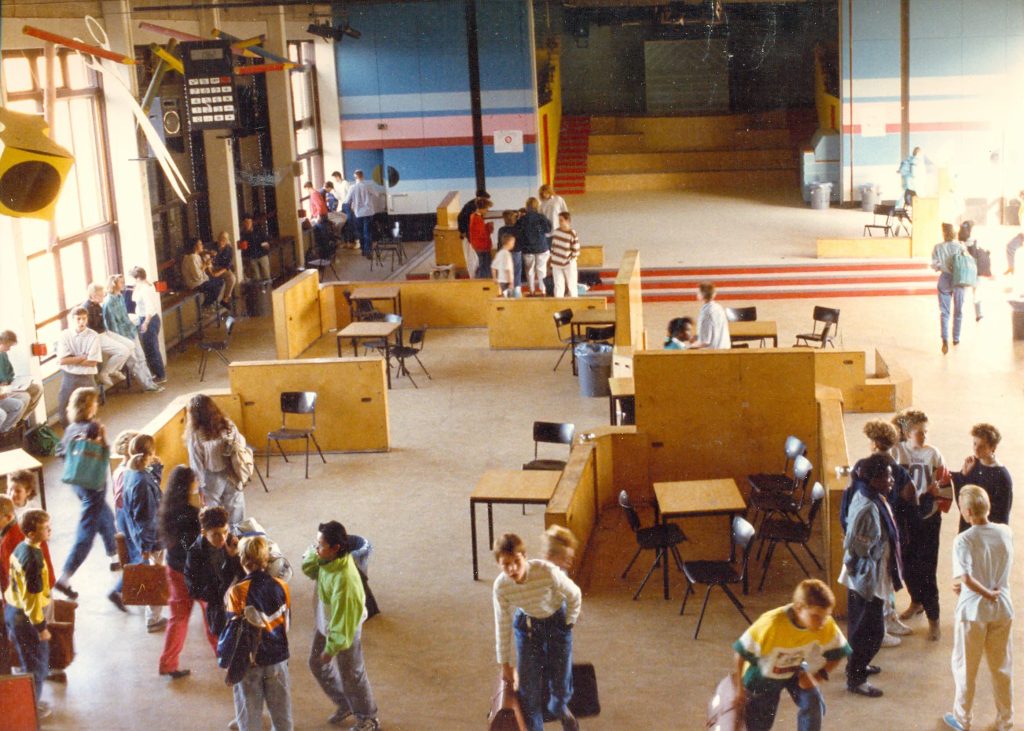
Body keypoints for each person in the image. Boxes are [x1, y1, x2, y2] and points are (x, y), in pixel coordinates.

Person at [733, 579, 852, 731]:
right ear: (798, 608)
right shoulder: (771, 624)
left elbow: (839, 653)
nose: (822, 623)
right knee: (759, 725)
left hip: (794, 668)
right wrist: (739, 689)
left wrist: (818, 676)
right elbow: (740, 653)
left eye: (825, 617)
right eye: (816, 616)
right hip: (761, 676)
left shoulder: (823, 623)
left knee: (813, 700)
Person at [492, 532, 582, 731]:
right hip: (527, 628)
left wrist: (569, 622)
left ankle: (561, 710)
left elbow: (574, 594)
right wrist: (504, 664)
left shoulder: (547, 572)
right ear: (499, 564)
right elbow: (502, 623)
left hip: (557, 622)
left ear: (525, 556)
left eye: (516, 561)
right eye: (506, 564)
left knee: (559, 688)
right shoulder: (501, 587)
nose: (513, 569)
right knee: (528, 694)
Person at [943, 485, 1014, 731]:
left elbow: (966, 578)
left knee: (966, 667)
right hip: (1003, 608)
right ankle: (1005, 720)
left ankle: (963, 719)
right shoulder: (1005, 532)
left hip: (973, 612)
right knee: (1001, 666)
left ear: (968, 511)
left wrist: (982, 593)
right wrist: (991, 592)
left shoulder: (964, 540)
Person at [838, 420, 915, 645]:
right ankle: (885, 620)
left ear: (874, 442)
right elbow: (911, 495)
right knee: (883, 581)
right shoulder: (897, 469)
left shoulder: (866, 466)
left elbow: (849, 497)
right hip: (886, 532)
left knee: (884, 579)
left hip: (884, 533)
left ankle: (887, 618)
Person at [303, 519, 380, 731]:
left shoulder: (346, 581)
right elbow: (309, 569)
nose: (316, 549)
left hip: (344, 630)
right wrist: (315, 555)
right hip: (326, 622)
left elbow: (343, 622)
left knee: (352, 674)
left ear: (336, 548)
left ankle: (368, 717)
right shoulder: (326, 560)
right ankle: (345, 703)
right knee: (316, 663)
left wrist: (332, 647)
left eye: (320, 546)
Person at [839, 453, 904, 698]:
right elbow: (858, 545)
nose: (891, 480)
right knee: (873, 631)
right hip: (867, 578)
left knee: (860, 626)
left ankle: (856, 665)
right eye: (886, 476)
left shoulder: (868, 494)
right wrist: (878, 549)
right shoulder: (868, 507)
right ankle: (856, 678)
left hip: (865, 575)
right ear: (873, 478)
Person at [52, 387, 122, 609]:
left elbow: (62, 452)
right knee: (86, 533)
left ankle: (114, 557)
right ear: (89, 406)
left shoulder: (71, 428)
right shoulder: (95, 428)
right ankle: (65, 577)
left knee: (106, 516)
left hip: (78, 484)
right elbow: (104, 453)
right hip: (94, 485)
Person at [219, 535, 293, 731]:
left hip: (249, 661)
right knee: (281, 711)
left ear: (242, 560)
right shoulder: (282, 586)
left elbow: (233, 630)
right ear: (266, 560)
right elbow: (286, 624)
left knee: (249, 713)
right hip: (277, 658)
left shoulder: (237, 592)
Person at [891, 408, 947, 640]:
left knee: (927, 569)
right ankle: (916, 602)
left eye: (925, 432)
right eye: (918, 432)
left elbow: (943, 484)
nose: (923, 437)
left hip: (928, 518)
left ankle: (934, 620)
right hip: (906, 518)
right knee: (906, 564)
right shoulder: (897, 452)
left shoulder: (933, 454)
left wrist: (935, 492)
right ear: (905, 432)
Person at [157, 465, 216, 679]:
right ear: (188, 485)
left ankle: (168, 663)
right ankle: (224, 655)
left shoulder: (167, 508)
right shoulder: (190, 515)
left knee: (178, 618)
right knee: (212, 613)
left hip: (173, 568)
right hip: (194, 573)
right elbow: (190, 543)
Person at [3, 509, 54, 719]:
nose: (50, 530)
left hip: (12, 611)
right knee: (37, 666)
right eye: (45, 527)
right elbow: (32, 600)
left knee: (28, 661)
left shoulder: (20, 547)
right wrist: (41, 628)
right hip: (27, 619)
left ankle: (29, 702)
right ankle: (30, 710)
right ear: (32, 533)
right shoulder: (34, 559)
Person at [120, 433, 167, 632]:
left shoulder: (131, 472)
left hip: (144, 536)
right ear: (150, 452)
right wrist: (146, 547)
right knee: (155, 576)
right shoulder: (142, 483)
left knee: (155, 574)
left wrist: (157, 467)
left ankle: (153, 614)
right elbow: (146, 519)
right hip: (153, 538)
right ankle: (153, 618)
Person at [185, 393, 247, 525]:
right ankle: (237, 538)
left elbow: (196, 463)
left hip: (211, 477)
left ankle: (220, 538)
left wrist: (199, 487)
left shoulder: (196, 434)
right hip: (232, 471)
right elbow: (241, 444)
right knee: (236, 509)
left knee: (214, 514)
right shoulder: (228, 425)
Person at [184, 506, 243, 640]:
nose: (222, 538)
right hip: (218, 607)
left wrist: (235, 556)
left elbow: (246, 574)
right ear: (204, 532)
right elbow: (193, 588)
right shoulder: (195, 554)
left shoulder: (233, 542)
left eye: (225, 531)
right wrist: (219, 595)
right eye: (216, 534)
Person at [101, 275, 163, 392]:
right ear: (114, 284)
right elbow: (111, 325)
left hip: (130, 330)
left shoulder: (120, 296)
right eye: (121, 282)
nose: (124, 284)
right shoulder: (109, 302)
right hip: (122, 336)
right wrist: (120, 339)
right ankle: (146, 385)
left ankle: (150, 381)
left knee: (141, 358)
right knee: (134, 362)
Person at [952, 423, 1012, 534]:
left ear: (993, 447)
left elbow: (1003, 515)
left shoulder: (1002, 476)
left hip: (987, 533)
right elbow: (962, 499)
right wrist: (963, 475)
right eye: (974, 444)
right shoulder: (973, 464)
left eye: (982, 446)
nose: (976, 449)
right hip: (968, 528)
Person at [55, 306, 102, 426]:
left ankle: (88, 437)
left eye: (84, 319)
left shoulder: (94, 336)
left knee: (89, 409)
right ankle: (70, 434)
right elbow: (62, 360)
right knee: (63, 408)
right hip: (69, 377)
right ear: (72, 320)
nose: (82, 322)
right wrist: (82, 357)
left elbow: (93, 362)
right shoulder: (64, 335)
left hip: (87, 377)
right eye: (78, 319)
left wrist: (72, 358)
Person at [83, 282, 134, 390]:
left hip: (104, 332)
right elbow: (89, 329)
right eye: (101, 295)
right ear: (93, 296)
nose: (104, 297)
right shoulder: (87, 309)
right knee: (123, 351)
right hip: (96, 337)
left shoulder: (97, 305)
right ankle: (105, 373)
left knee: (130, 345)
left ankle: (115, 369)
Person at [932, 222, 967, 353]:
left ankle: (944, 339)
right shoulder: (960, 246)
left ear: (944, 233)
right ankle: (956, 338)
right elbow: (967, 262)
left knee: (944, 313)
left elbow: (935, 266)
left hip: (944, 279)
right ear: (954, 233)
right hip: (959, 280)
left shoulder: (937, 247)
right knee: (958, 311)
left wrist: (942, 266)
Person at [0, 329, 43, 431]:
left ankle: (21, 419)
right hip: (4, 389)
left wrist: (9, 380)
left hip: (10, 385)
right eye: (8, 346)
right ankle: (11, 427)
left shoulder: (3, 355)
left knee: (37, 388)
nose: (9, 349)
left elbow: (10, 373)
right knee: (25, 397)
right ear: (1, 342)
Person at [130, 266, 166, 384]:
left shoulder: (145, 289)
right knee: (149, 348)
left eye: (134, 279)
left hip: (149, 320)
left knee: (152, 349)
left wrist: (145, 323)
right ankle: (157, 373)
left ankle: (160, 375)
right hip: (144, 318)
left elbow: (149, 308)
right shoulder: (142, 286)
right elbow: (135, 298)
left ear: (138, 278)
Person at [517, 197, 553, 296]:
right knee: (541, 270)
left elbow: (518, 232)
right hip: (541, 247)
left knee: (529, 272)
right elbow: (548, 230)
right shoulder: (541, 217)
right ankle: (543, 290)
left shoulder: (522, 219)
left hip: (527, 249)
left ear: (527, 206)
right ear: (536, 206)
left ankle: (531, 291)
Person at [344, 170, 383, 259]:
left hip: (358, 213)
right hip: (369, 212)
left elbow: (346, 201)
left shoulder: (352, 187)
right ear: (362, 176)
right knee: (367, 232)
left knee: (360, 232)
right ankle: (368, 251)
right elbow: (377, 194)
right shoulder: (368, 186)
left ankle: (363, 250)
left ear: (355, 177)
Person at [959, 221, 991, 321]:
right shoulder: (975, 240)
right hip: (976, 270)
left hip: (966, 271)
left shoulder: (962, 241)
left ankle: (960, 313)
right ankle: (978, 314)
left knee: (964, 292)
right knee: (976, 292)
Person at [181, 238, 226, 308]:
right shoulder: (191, 258)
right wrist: (205, 264)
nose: (202, 246)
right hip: (195, 284)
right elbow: (197, 277)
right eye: (200, 244)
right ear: (195, 246)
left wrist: (208, 260)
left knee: (219, 281)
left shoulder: (196, 256)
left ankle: (209, 304)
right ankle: (206, 305)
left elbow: (202, 270)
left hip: (201, 281)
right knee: (218, 283)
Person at [549, 212, 580, 298]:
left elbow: (576, 250)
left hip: (569, 262)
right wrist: (552, 259)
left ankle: (575, 303)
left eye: (561, 220)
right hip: (556, 263)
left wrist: (570, 260)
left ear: (568, 221)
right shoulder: (556, 232)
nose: (560, 222)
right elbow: (553, 247)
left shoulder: (572, 233)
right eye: (559, 220)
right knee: (558, 285)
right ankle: (558, 305)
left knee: (572, 285)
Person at [693, 281, 731, 349]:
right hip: (724, 348)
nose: (696, 294)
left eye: (698, 292)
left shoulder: (706, 312)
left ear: (702, 294)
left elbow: (705, 341)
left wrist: (687, 347)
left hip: (712, 352)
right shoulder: (719, 307)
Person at [497, 209, 523, 294]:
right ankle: (517, 292)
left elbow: (499, 244)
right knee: (516, 273)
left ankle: (506, 292)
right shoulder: (517, 228)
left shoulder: (501, 230)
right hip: (516, 252)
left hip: (504, 253)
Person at [209, 232, 238, 308]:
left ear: (227, 240)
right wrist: (209, 253)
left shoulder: (229, 249)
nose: (222, 240)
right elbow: (202, 250)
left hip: (222, 269)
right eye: (221, 238)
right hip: (211, 268)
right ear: (218, 239)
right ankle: (212, 303)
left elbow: (227, 266)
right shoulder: (212, 245)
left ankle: (225, 299)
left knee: (232, 278)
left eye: (224, 239)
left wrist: (218, 273)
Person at [468, 197, 495, 279]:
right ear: (482, 208)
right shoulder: (477, 219)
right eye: (487, 208)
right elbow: (482, 235)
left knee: (482, 265)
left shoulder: (474, 216)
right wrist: (489, 227)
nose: (487, 211)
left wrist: (486, 226)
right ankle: (484, 283)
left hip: (478, 245)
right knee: (485, 267)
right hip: (482, 246)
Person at [240, 214, 272, 281]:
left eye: (248, 222)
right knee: (256, 277)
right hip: (252, 257)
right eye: (245, 222)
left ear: (251, 222)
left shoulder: (258, 230)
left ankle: (269, 289)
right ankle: (259, 290)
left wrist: (266, 244)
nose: (247, 224)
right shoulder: (243, 234)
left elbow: (267, 239)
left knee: (266, 274)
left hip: (262, 255)